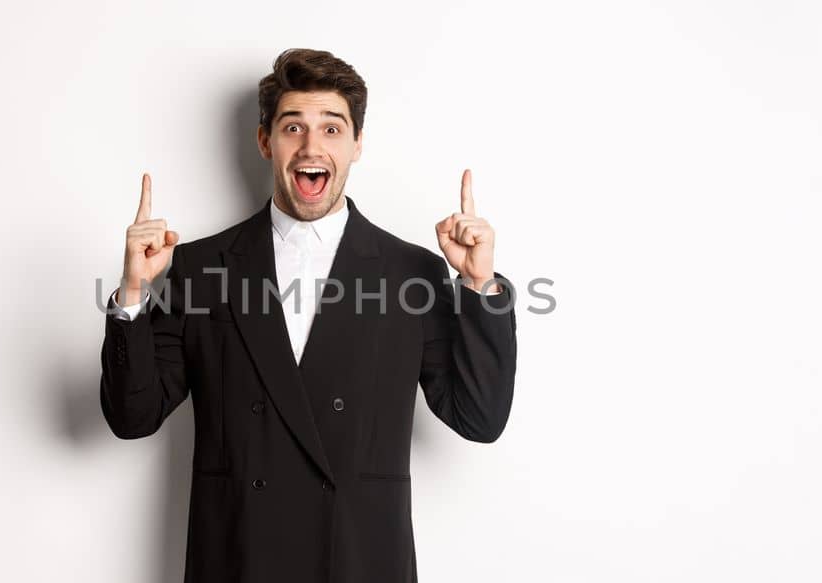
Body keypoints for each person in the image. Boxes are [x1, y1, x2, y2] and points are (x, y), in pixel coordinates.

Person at [99, 48, 518, 583]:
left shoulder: (411, 272)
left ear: (357, 144)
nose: (311, 146)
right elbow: (132, 418)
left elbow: (480, 419)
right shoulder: (201, 268)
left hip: (360, 564)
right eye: (293, 126)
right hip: (237, 560)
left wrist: (479, 286)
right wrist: (134, 291)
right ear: (265, 141)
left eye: (332, 129)